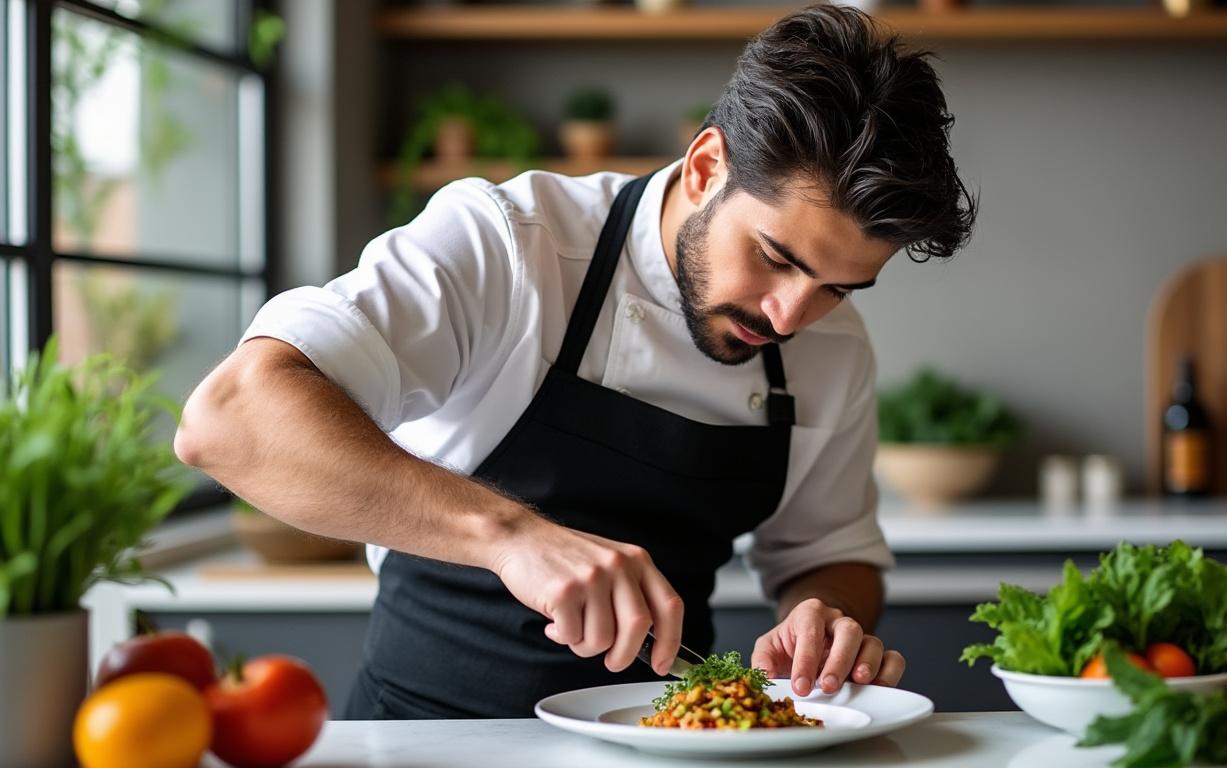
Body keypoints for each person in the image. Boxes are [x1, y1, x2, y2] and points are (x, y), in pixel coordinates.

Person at [174, 3, 976, 719]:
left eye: (838, 287)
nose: (790, 316)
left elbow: (829, 553)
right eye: (774, 258)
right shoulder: (509, 243)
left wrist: (827, 616)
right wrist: (508, 534)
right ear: (706, 167)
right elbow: (230, 419)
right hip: (426, 732)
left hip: (666, 736)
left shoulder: (833, 349)